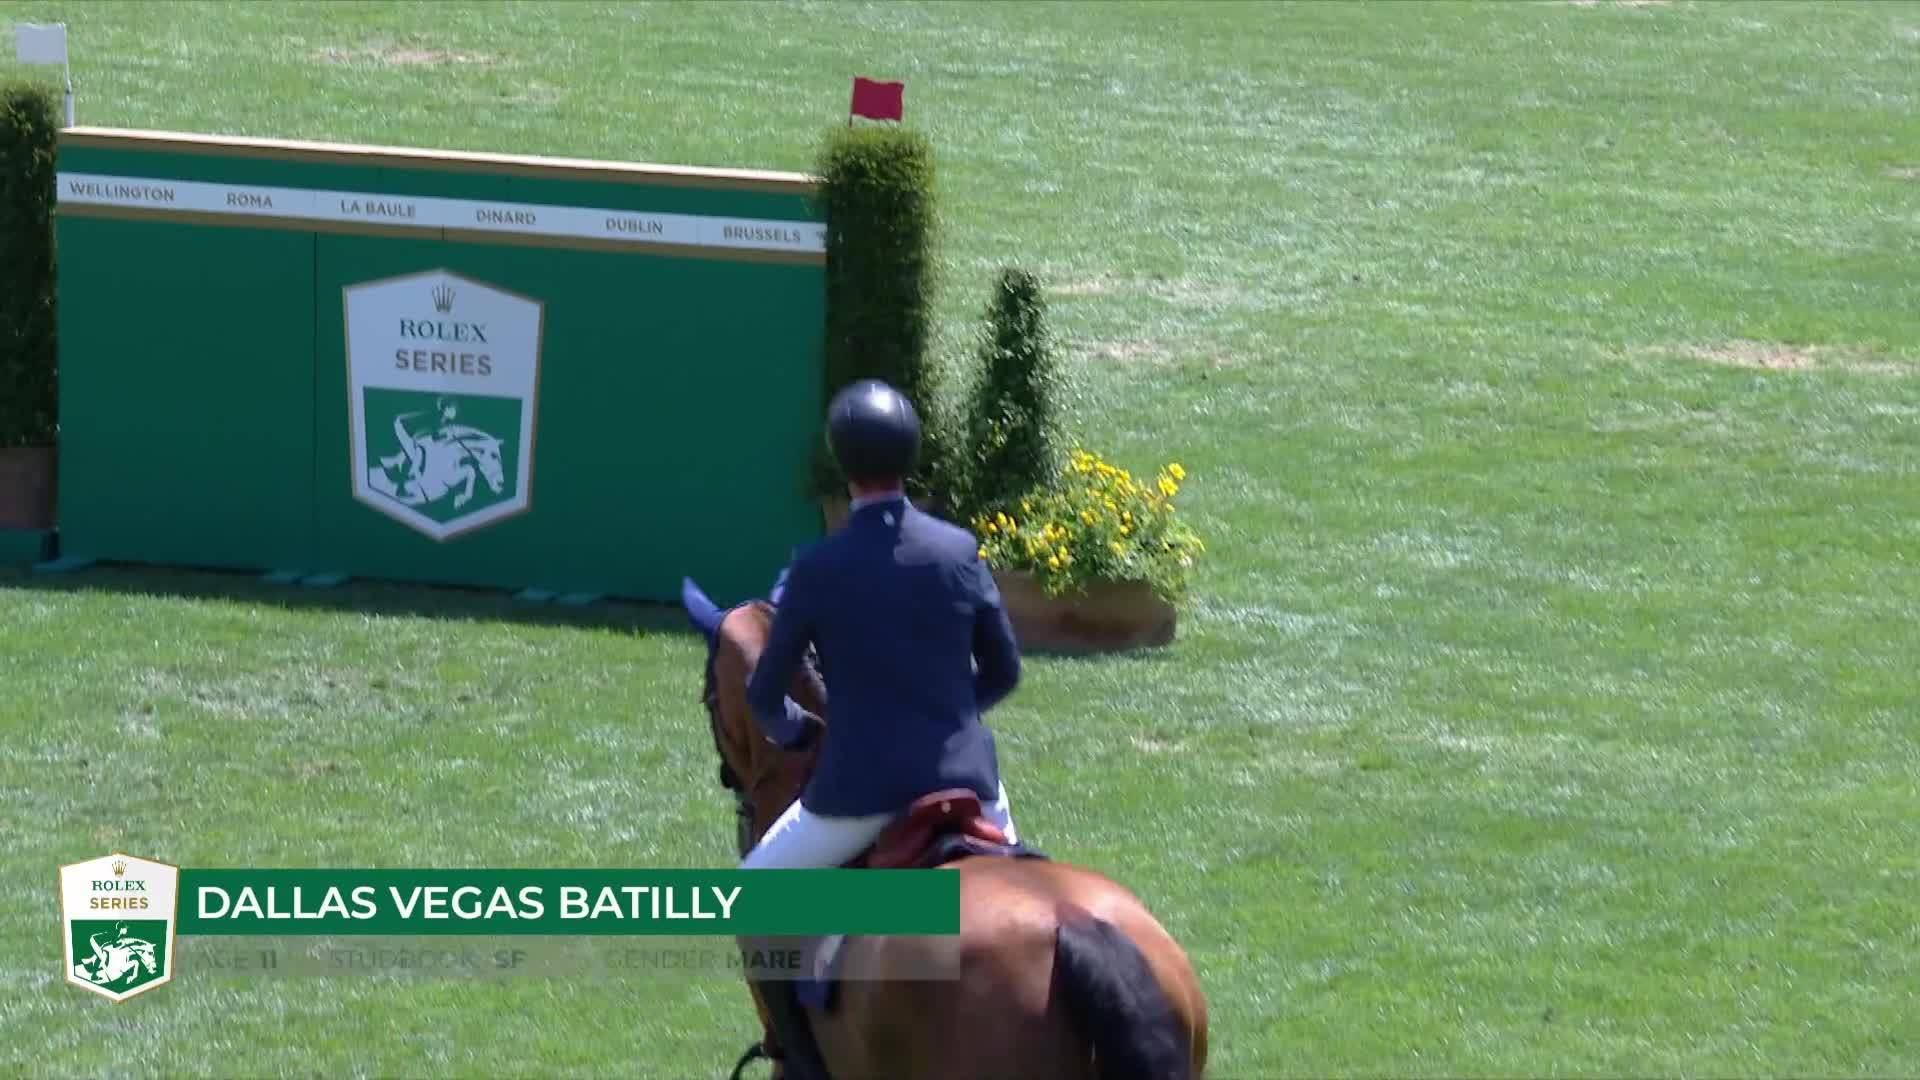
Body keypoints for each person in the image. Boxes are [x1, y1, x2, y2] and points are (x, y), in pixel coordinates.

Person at [737, 378, 1023, 1078]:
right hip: (971, 785)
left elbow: (765, 693)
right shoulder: (959, 550)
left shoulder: (818, 566)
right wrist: (948, 718)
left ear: (843, 464)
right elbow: (1004, 669)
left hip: (860, 792)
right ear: (911, 456)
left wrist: (801, 734)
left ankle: (800, 1061)